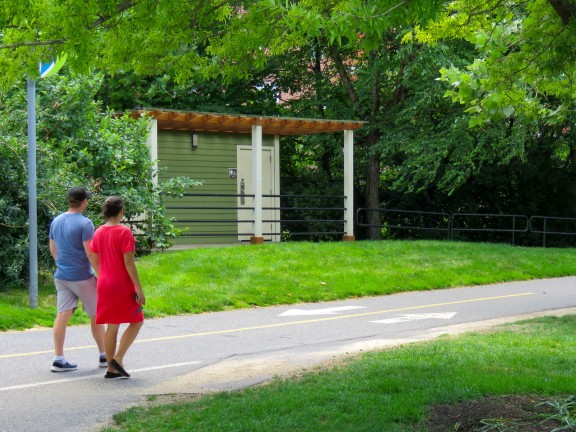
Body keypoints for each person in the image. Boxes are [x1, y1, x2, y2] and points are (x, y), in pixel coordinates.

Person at [49, 186, 106, 372]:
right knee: (96, 315)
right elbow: (90, 253)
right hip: (82, 277)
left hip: (62, 276)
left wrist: (63, 264)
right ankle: (104, 356)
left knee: (62, 315)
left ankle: (58, 359)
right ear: (83, 202)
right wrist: (100, 273)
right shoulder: (85, 223)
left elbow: (53, 249)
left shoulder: (56, 221)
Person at [89, 196, 146, 380]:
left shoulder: (98, 232)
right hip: (122, 284)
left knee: (112, 325)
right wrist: (139, 288)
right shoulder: (124, 232)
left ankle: (111, 369)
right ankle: (118, 358)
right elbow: (129, 263)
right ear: (120, 212)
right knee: (137, 320)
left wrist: (104, 274)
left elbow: (94, 259)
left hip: (104, 283)